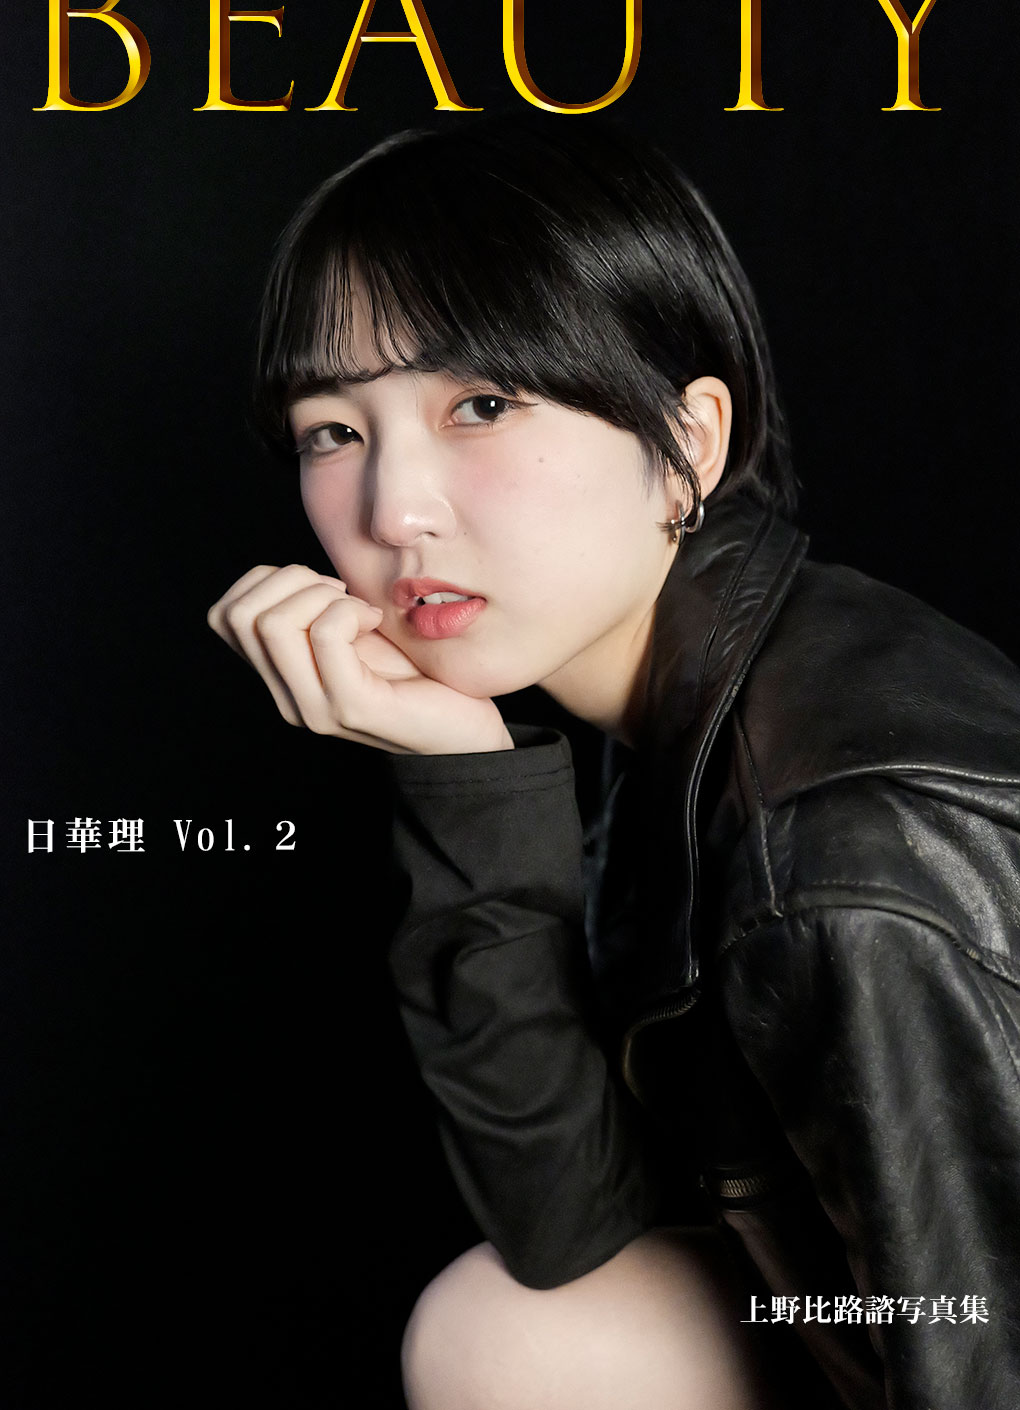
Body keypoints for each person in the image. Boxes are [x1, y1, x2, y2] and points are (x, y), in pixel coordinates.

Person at [207, 118, 1020, 1410]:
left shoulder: (843, 854)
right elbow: (572, 1229)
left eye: (482, 403)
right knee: (512, 1333)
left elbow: (974, 1349)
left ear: (689, 441)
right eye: (332, 431)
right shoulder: (687, 701)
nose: (392, 511)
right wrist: (470, 782)